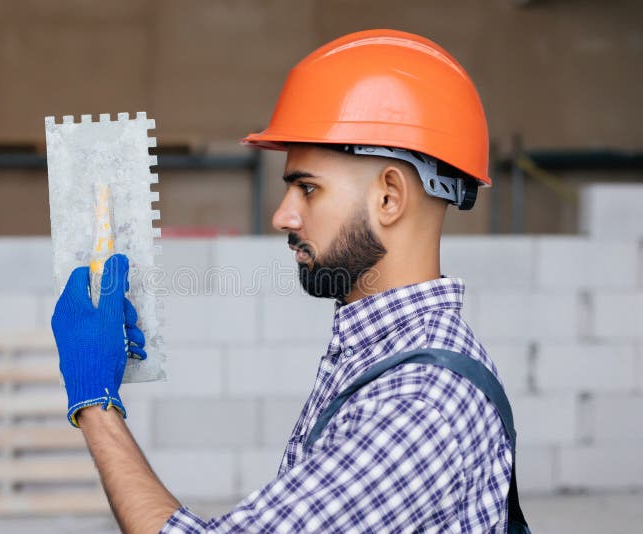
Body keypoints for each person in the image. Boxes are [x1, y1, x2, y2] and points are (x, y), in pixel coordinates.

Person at [52, 29, 514, 533]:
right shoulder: (382, 354)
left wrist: (95, 401)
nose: (282, 216)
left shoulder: (418, 406)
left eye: (308, 189)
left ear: (389, 198)